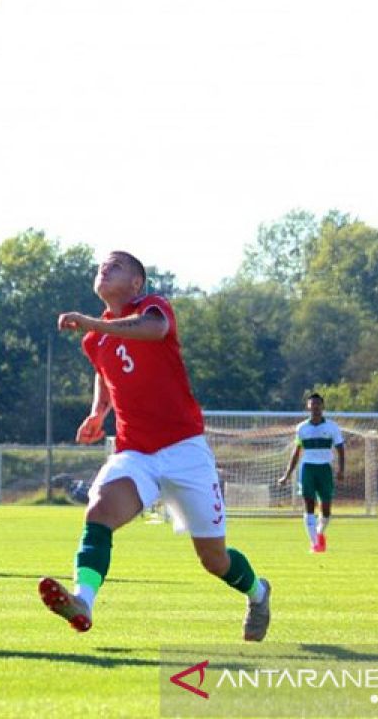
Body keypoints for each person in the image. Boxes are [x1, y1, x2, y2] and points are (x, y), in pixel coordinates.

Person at [39, 251, 272, 641]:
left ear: (135, 283)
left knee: (214, 560)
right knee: (98, 512)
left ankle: (259, 593)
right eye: (102, 265)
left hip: (185, 450)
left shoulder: (152, 307)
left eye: (116, 265)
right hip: (135, 452)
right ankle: (82, 601)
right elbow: (105, 370)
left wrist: (92, 322)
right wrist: (98, 412)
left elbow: (153, 331)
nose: (104, 268)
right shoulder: (95, 339)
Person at [278, 393, 346, 553]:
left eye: (318, 404)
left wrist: (341, 470)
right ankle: (315, 544)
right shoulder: (302, 428)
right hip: (307, 468)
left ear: (323, 406)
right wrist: (287, 475)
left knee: (327, 509)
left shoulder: (332, 427)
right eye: (312, 404)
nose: (315, 407)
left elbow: (341, 449)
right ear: (308, 407)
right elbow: (296, 452)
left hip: (325, 469)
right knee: (308, 505)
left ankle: (319, 534)